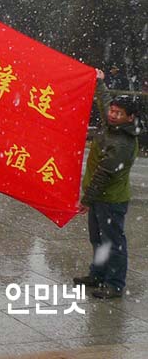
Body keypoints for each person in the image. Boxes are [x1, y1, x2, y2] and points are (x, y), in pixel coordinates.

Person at [75, 69, 141, 299]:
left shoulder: (123, 142)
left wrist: (86, 200)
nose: (112, 115)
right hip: (99, 198)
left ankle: (114, 284)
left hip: (110, 200)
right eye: (112, 111)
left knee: (112, 242)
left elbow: (103, 175)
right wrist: (99, 81)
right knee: (97, 239)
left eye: (118, 113)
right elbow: (104, 101)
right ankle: (97, 275)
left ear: (130, 117)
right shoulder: (112, 124)